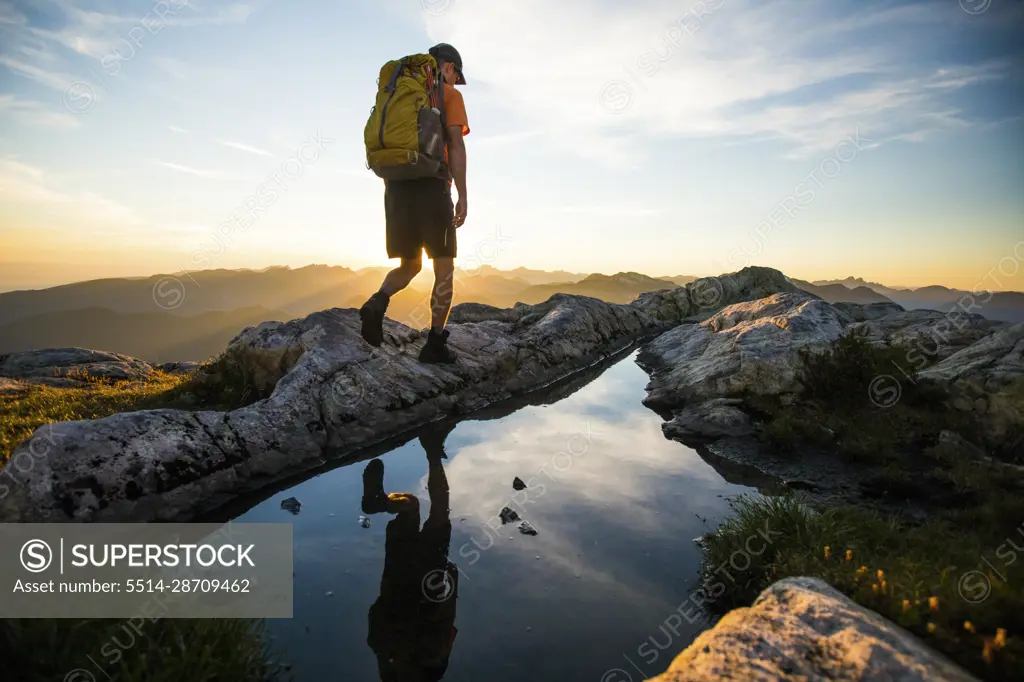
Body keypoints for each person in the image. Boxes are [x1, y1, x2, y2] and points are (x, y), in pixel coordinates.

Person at [359, 43, 470, 364]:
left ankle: (377, 303)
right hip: (433, 185)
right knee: (444, 265)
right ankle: (435, 344)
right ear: (447, 66)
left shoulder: (399, 91)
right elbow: (456, 146)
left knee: (410, 264)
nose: (456, 81)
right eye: (456, 74)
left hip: (395, 186)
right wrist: (462, 193)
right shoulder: (447, 96)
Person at [362, 423, 459, 681]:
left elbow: (448, 628)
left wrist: (451, 579)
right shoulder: (386, 660)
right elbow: (374, 616)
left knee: (439, 509)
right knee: (410, 507)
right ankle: (382, 502)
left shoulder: (433, 663)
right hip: (396, 577)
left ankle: (433, 452)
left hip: (430, 579)